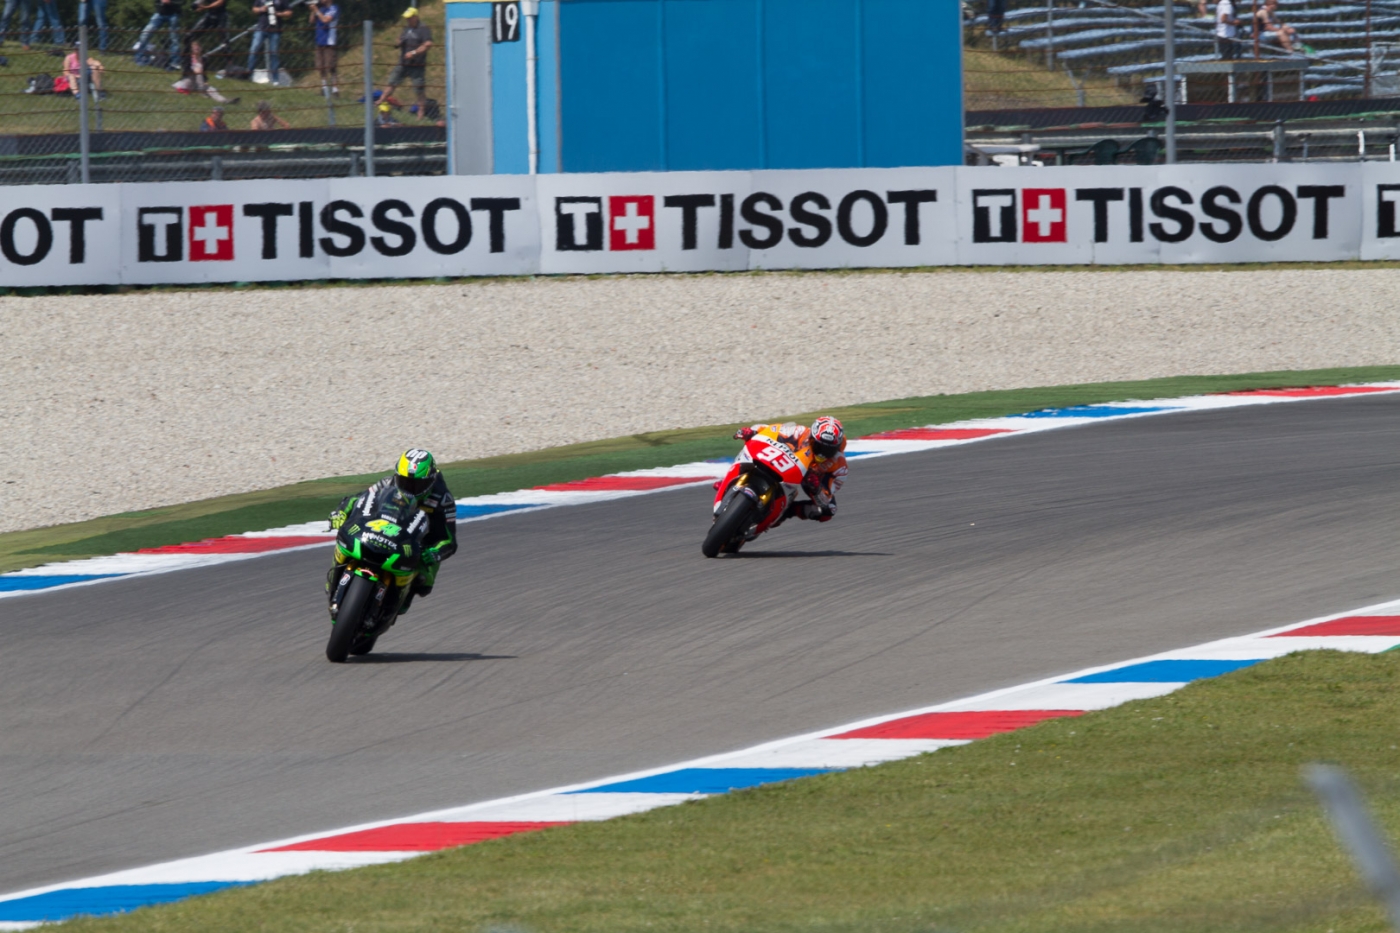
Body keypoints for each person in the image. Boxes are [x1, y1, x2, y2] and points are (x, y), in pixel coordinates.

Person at [328, 448, 458, 618]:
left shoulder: (443, 499)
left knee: (424, 582)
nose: (409, 489)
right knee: (346, 539)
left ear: (431, 481)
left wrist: (435, 553)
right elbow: (357, 499)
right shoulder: (387, 482)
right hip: (382, 528)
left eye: (417, 485)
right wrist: (340, 513)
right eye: (404, 482)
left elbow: (449, 541)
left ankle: (396, 605)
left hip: (421, 542)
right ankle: (334, 578)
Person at [730, 416, 848, 524]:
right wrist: (753, 431)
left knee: (830, 510)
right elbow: (772, 429)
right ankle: (730, 479)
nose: (821, 453)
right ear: (812, 436)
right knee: (750, 453)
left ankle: (788, 512)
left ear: (837, 447)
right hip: (786, 463)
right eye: (819, 446)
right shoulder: (800, 432)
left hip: (810, 481)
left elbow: (827, 498)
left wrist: (817, 488)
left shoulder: (840, 467)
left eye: (828, 450)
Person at [381, 7, 431, 116]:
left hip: (417, 65)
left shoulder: (423, 29)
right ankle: (380, 101)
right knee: (392, 82)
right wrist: (399, 42)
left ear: (415, 17)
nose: (407, 20)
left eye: (409, 18)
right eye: (406, 18)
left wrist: (414, 53)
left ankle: (421, 113)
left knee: (419, 89)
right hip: (403, 63)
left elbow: (427, 44)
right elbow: (400, 39)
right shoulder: (406, 28)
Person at [246, 0, 291, 81]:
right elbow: (254, 9)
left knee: (274, 54)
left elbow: (289, 12)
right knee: (254, 50)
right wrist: (262, 9)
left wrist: (278, 14)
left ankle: (275, 80)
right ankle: (249, 75)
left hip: (275, 29)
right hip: (261, 28)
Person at [134, 0, 181, 67]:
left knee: (174, 39)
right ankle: (140, 57)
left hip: (173, 14)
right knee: (145, 34)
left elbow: (181, 2)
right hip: (159, 13)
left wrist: (170, 2)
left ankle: (175, 61)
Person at [308, 0, 338, 95]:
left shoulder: (333, 8)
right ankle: (324, 87)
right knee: (321, 66)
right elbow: (311, 21)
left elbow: (325, 20)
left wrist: (316, 10)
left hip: (329, 42)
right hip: (319, 40)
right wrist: (313, 10)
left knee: (331, 65)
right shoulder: (320, 9)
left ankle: (334, 89)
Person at [188, 0, 227, 71]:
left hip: (221, 15)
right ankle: (188, 60)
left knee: (224, 40)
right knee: (190, 35)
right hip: (209, 14)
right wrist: (198, 4)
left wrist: (205, 7)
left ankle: (229, 64)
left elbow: (220, 2)